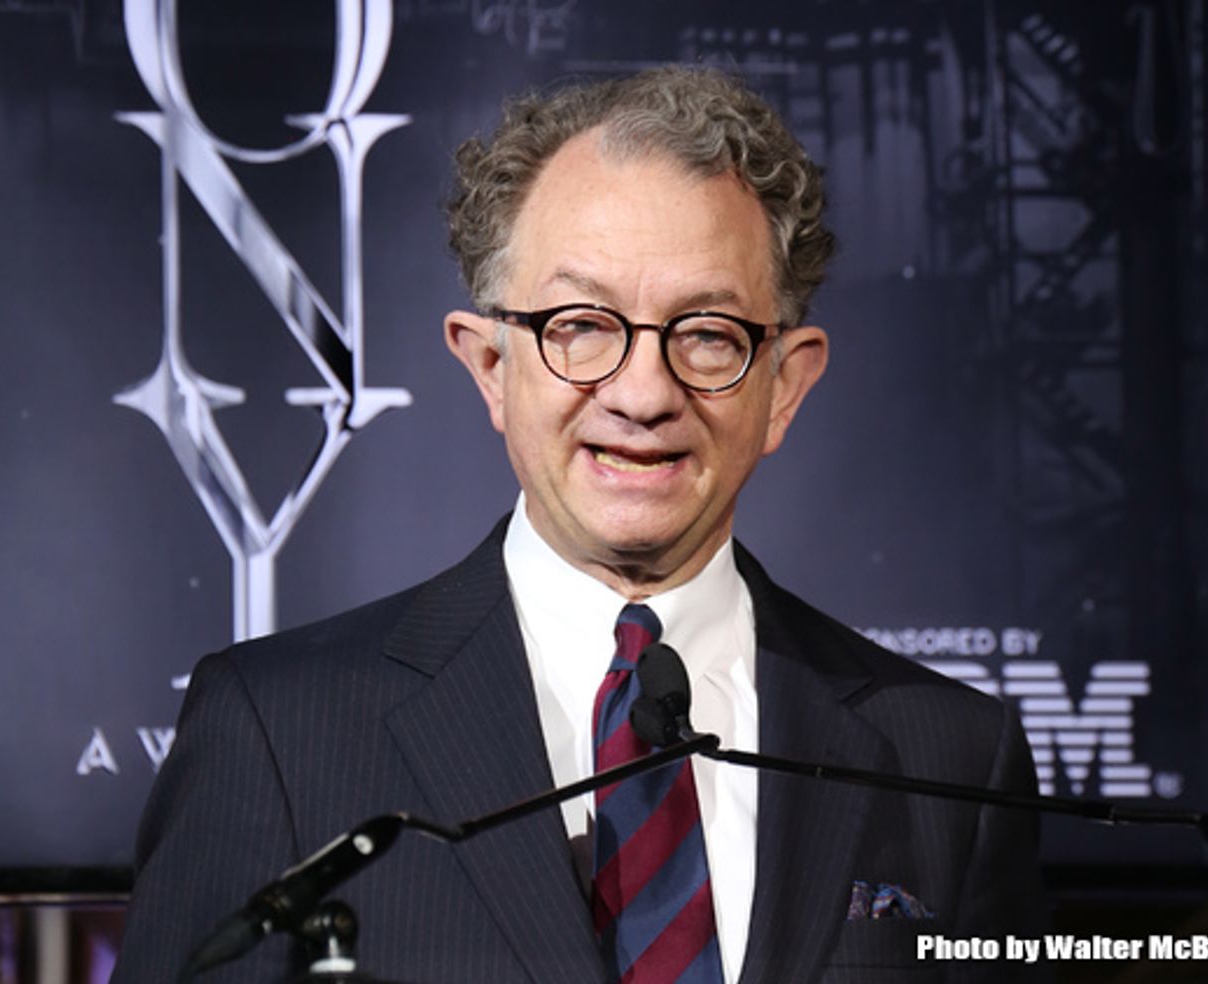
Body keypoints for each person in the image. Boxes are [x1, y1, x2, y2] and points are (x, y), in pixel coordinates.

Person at [113, 66, 1048, 984]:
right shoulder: (277, 731)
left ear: (786, 386)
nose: (643, 394)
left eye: (710, 335)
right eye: (581, 325)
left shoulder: (951, 758)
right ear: (489, 365)